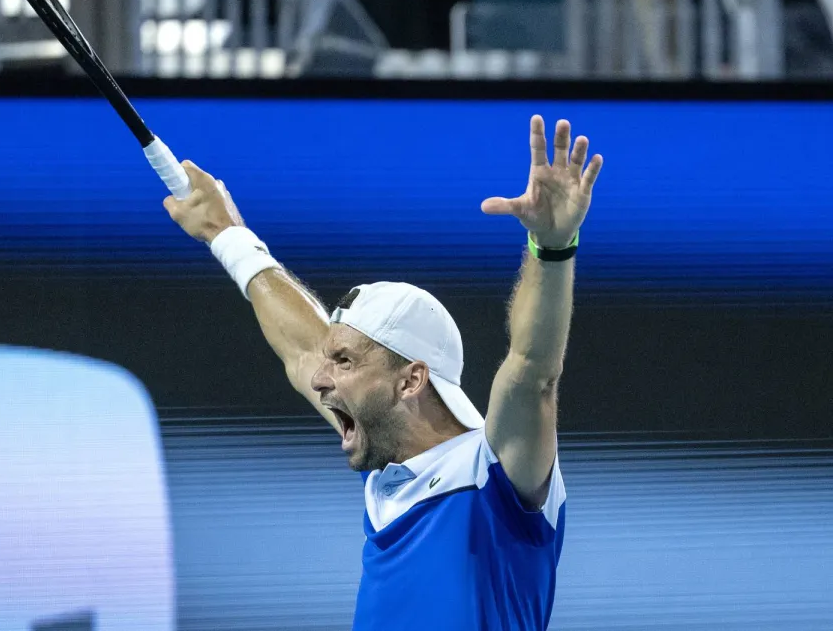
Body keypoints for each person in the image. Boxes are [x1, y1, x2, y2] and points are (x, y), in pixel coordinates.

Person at [164, 115, 602, 630]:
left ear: (411, 380)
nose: (321, 378)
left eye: (345, 361)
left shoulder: (492, 471)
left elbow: (532, 371)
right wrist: (226, 235)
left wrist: (552, 250)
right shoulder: (386, 461)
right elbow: (302, 348)